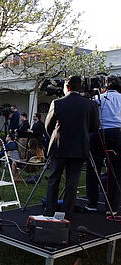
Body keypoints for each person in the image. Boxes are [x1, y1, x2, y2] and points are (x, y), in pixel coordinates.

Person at [45, 76, 99, 219]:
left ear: (66, 87)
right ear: (80, 87)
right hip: (79, 147)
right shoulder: (90, 104)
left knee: (54, 179)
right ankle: (66, 213)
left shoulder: (57, 102)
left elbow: (48, 126)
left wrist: (56, 136)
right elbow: (94, 127)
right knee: (72, 181)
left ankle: (50, 210)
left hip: (59, 146)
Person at [86, 76, 121, 216]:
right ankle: (112, 206)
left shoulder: (98, 99)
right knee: (116, 171)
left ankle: (92, 203)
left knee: (93, 168)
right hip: (117, 134)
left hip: (99, 134)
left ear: (105, 86)